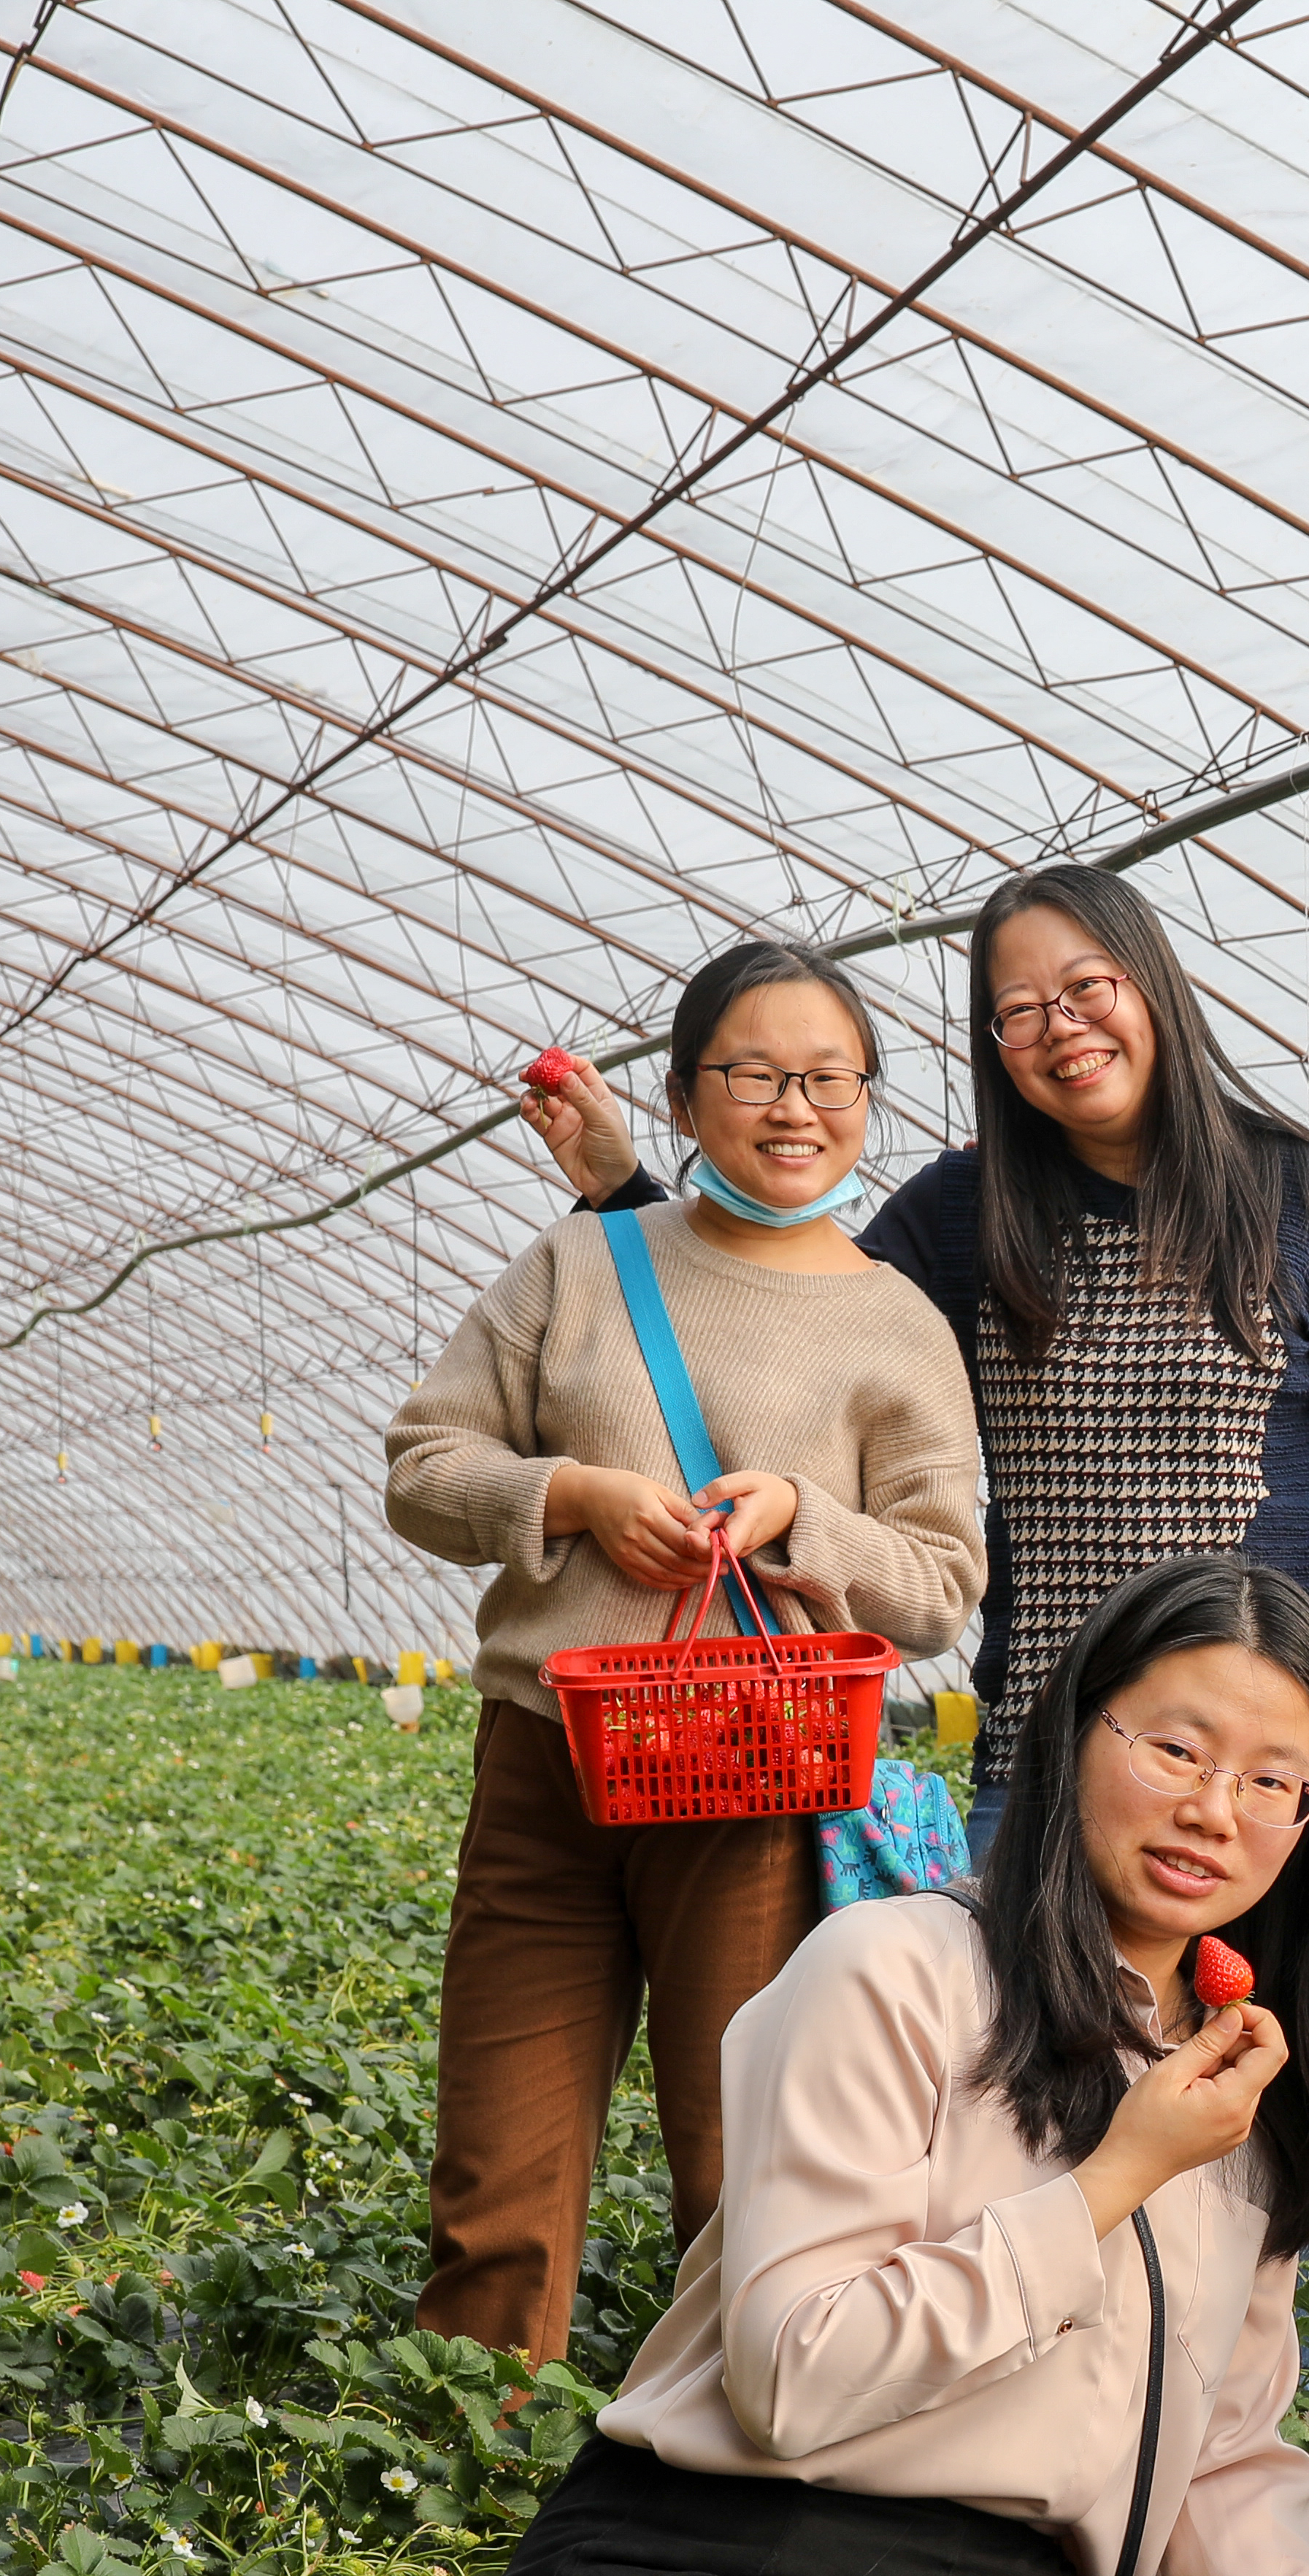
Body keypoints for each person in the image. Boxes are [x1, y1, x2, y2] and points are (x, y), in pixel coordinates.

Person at [220, 1559, 1309, 2576]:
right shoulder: (894, 1970)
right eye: (1174, 1745)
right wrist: (1114, 2176)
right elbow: (793, 2367)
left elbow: (1227, 2448)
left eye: (1270, 1780)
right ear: (1076, 1731)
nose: (1210, 1809)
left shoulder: (1242, 2084)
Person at [523, 861, 1309, 1858]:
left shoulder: (1298, 1191)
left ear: (1150, 984)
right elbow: (781, 1312)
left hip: (1284, 1732)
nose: (1062, 1026)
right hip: (1054, 1728)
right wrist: (622, 1189)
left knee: (1276, 2013)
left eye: (1087, 989)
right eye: (1019, 1011)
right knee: (1034, 2011)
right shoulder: (961, 1214)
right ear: (997, 1048)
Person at [388, 942, 986, 2361]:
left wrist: (803, 1518)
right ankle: (467, 2446)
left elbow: (943, 1583)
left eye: (827, 1076)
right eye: (754, 1073)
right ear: (682, 1094)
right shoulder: (581, 1263)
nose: (794, 1106)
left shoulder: (894, 1320)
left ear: (866, 1095)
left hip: (755, 1782)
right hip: (551, 1757)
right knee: (496, 2161)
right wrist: (567, 1494)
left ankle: (737, 2432)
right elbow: (422, 1465)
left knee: (743, 2161)